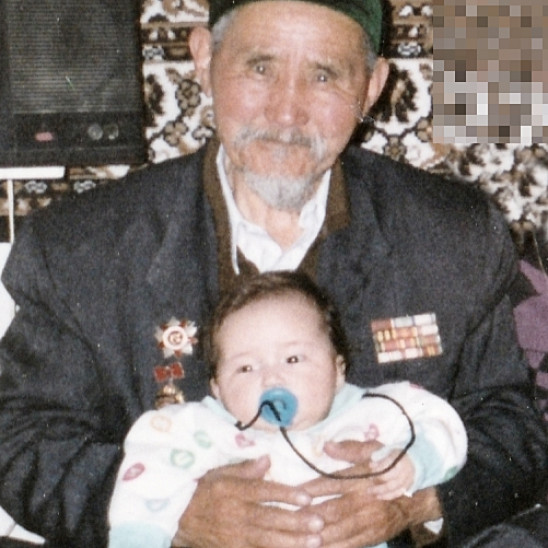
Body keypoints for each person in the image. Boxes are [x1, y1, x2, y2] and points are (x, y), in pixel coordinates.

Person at [0, 0, 546, 546]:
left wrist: (417, 501)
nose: (287, 112)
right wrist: (174, 514)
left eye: (324, 76)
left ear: (372, 87)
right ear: (204, 60)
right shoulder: (81, 248)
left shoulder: (450, 236)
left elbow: (511, 422)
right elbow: (21, 435)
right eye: (260, 68)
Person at [107, 271, 468, 548]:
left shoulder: (373, 411)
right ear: (217, 388)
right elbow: (146, 479)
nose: (271, 377)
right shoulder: (200, 429)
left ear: (338, 370)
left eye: (293, 358)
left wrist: (415, 462)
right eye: (246, 368)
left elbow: (440, 421)